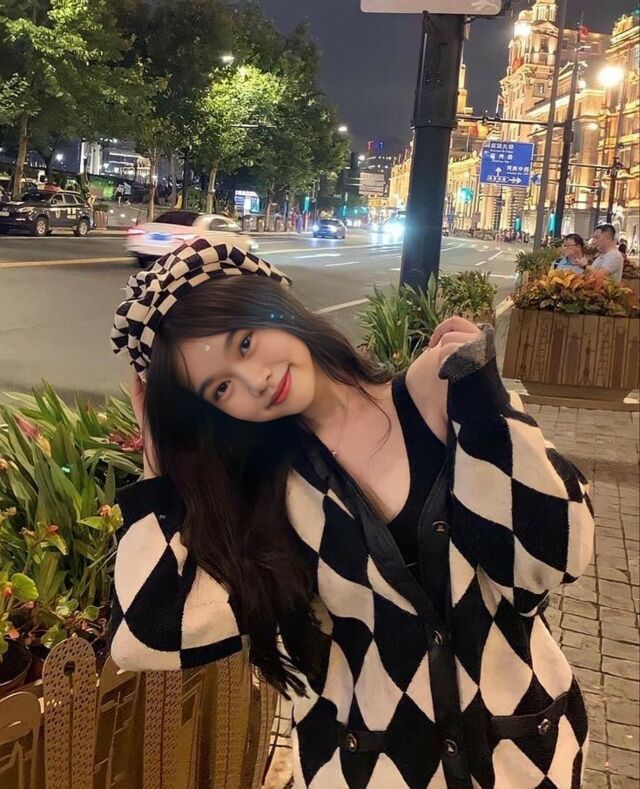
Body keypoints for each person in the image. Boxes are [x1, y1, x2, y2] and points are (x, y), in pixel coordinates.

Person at [108, 239, 593, 788]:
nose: (254, 380)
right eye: (221, 388)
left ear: (276, 305)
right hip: (366, 773)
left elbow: (556, 559)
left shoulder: (439, 393)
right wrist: (156, 460)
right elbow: (146, 637)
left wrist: (483, 404)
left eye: (244, 343)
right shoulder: (268, 494)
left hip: (524, 761)